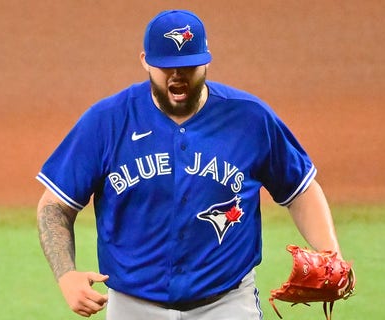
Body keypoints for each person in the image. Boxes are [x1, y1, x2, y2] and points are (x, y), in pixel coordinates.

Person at [36, 9, 345, 319]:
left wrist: (332, 255)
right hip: (133, 306)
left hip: (227, 304)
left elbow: (300, 189)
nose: (177, 76)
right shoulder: (107, 121)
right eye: (166, 66)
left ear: (206, 60)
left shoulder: (250, 118)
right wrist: (66, 275)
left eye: (188, 66)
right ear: (145, 60)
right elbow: (54, 206)